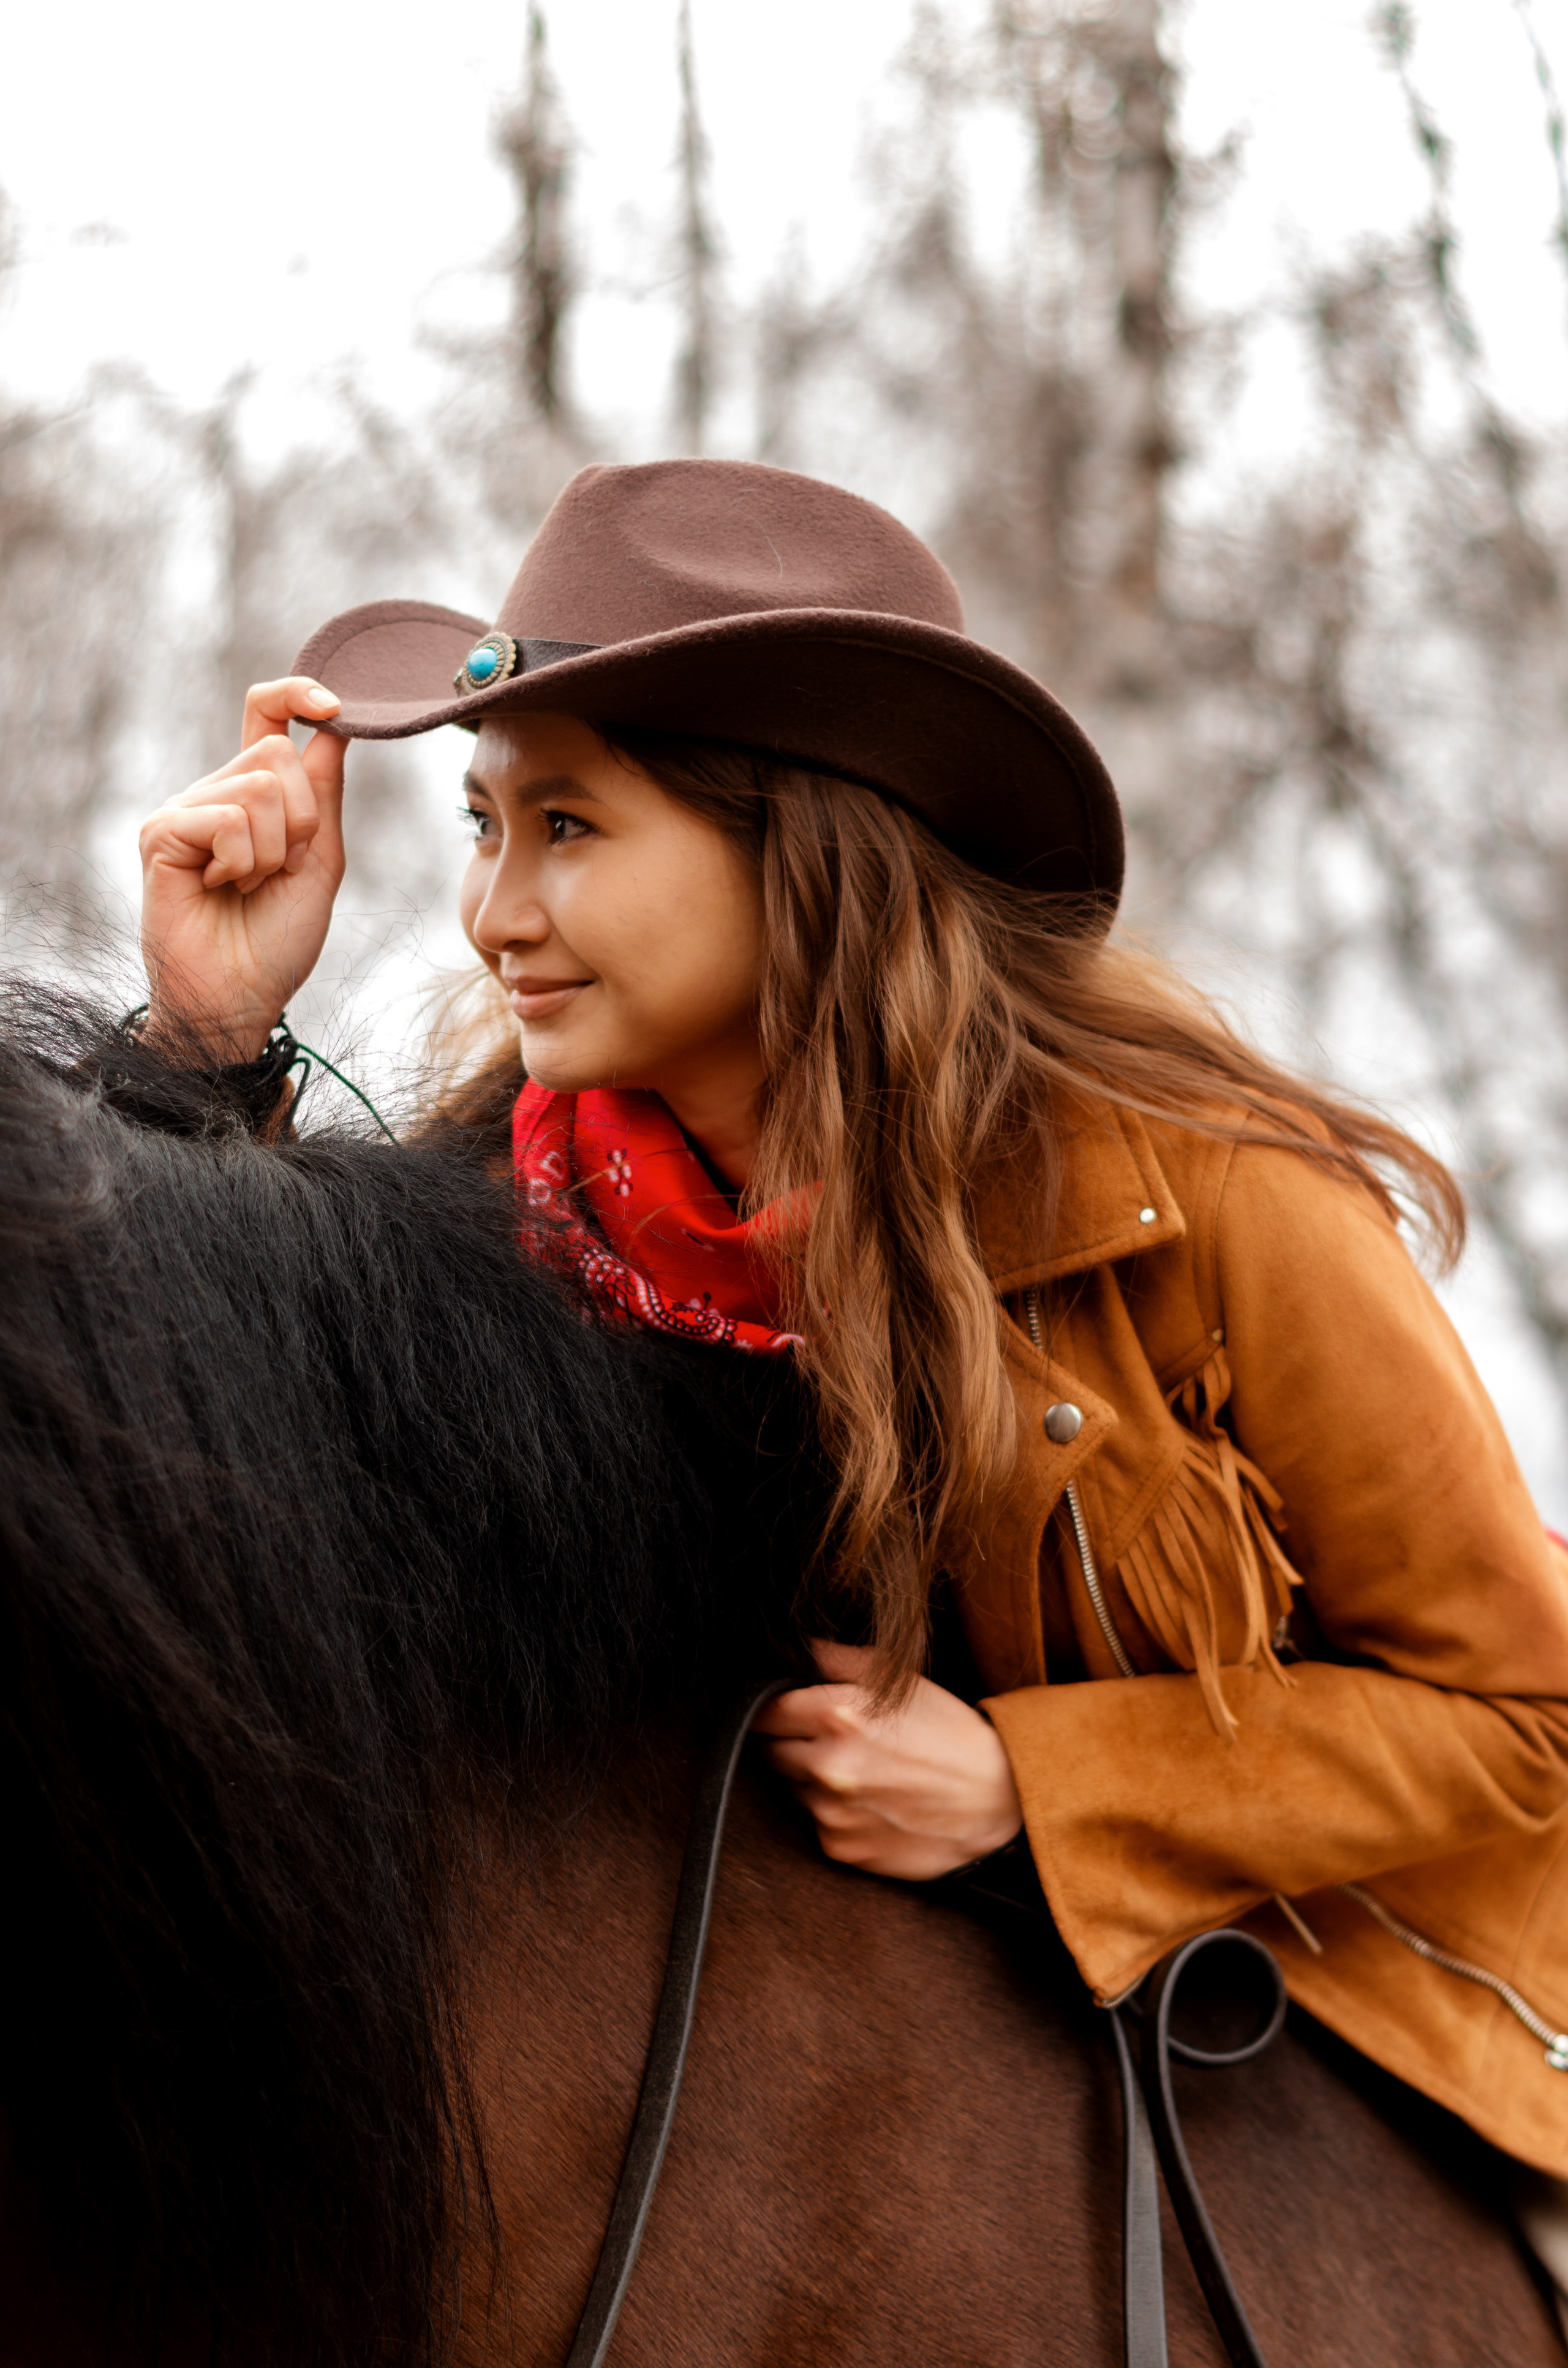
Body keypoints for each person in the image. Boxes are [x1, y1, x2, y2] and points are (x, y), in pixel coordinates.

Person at [138, 457, 1568, 2323]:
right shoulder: (518, 1201)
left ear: (804, 843)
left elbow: (1524, 1708)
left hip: (1352, 2062)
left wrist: (1040, 1787)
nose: (494, 907)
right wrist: (206, 1046)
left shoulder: (1212, 1200)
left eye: (569, 826)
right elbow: (245, 1516)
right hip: (811, 2145)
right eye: (484, 826)